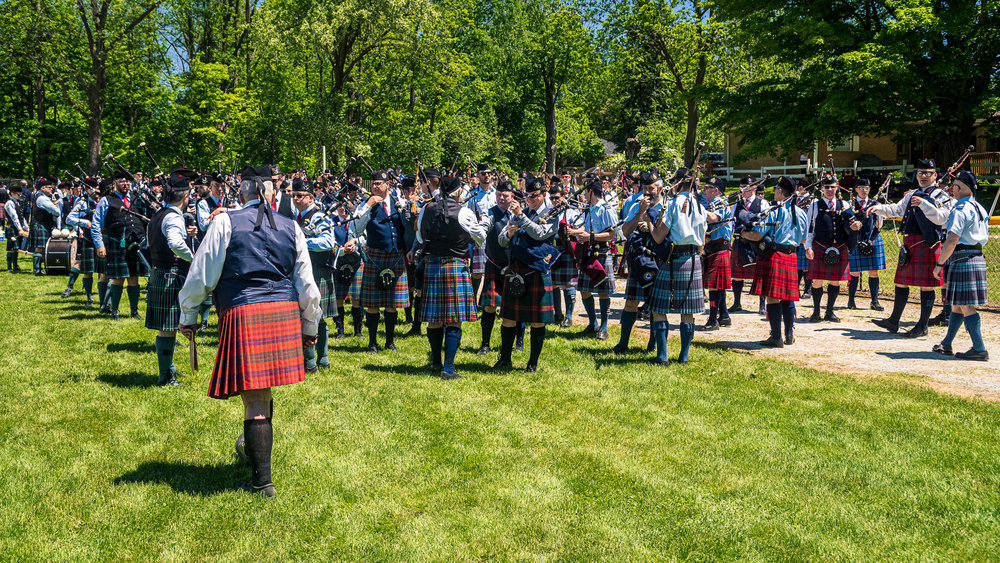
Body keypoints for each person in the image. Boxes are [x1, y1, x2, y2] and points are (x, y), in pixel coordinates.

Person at [178, 166, 321, 499]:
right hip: (284, 312)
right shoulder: (292, 227)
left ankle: (262, 483)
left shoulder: (225, 222)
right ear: (270, 195)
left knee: (255, 398)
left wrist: (188, 314)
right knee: (264, 393)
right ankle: (251, 453)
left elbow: (202, 274)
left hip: (246, 311)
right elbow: (307, 284)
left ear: (240, 193)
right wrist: (309, 324)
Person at [868, 158, 953, 337]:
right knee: (901, 282)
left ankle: (922, 326)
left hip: (927, 244)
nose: (923, 176)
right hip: (909, 245)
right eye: (920, 173)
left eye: (927, 173)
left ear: (935, 175)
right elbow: (897, 210)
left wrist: (924, 204)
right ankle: (893, 321)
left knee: (926, 286)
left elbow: (945, 219)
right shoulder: (911, 194)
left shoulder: (941, 196)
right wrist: (878, 208)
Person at [416, 173, 487, 378]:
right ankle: (448, 368)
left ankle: (436, 362)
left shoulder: (425, 209)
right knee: (454, 319)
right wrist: (484, 224)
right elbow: (480, 239)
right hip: (455, 267)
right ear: (458, 192)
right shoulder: (464, 212)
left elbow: (421, 236)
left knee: (434, 319)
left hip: (433, 266)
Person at [495, 176, 557, 372]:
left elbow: (539, 233)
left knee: (537, 320)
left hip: (536, 270)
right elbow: (501, 241)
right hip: (516, 270)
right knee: (508, 318)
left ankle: (533, 363)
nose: (530, 199)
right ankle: (505, 359)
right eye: (527, 195)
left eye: (534, 195)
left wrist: (521, 216)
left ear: (543, 194)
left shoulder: (552, 213)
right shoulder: (519, 212)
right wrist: (509, 234)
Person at [646, 172, 708, 364]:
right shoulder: (700, 205)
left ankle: (662, 356)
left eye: (673, 180)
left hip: (675, 258)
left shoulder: (671, 204)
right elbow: (703, 241)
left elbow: (658, 237)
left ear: (678, 183)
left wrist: (647, 219)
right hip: (694, 258)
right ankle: (684, 357)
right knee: (687, 311)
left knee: (658, 308)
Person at [145, 169, 199, 386]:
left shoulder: (159, 215)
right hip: (171, 274)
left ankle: (170, 368)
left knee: (168, 326)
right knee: (167, 328)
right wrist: (193, 259)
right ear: (185, 196)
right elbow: (175, 243)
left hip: (160, 272)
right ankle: (164, 376)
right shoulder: (173, 218)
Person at [742, 176, 809, 347]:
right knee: (788, 297)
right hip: (791, 256)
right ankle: (789, 334)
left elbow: (757, 235)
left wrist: (742, 234)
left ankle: (776, 337)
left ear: (780, 192)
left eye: (775, 190)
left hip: (775, 255)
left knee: (772, 297)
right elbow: (802, 240)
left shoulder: (772, 210)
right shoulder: (801, 212)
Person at [932, 171, 989, 361]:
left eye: (954, 187)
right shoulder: (980, 208)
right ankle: (946, 344)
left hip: (962, 258)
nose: (952, 190)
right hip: (976, 257)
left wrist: (940, 264)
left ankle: (979, 348)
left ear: (959, 188)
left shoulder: (960, 209)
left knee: (966, 305)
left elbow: (952, 239)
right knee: (957, 304)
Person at [353, 170, 410, 353]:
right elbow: (356, 228)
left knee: (392, 304)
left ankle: (390, 341)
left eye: (380, 184)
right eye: (374, 184)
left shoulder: (397, 202)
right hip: (375, 256)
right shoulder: (366, 204)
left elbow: (407, 225)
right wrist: (368, 205)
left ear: (388, 185)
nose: (376, 187)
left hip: (396, 256)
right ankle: (372, 342)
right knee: (373, 304)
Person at [292, 179, 339, 372]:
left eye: (299, 195)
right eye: (293, 195)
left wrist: (303, 241)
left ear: (311, 197)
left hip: (317, 269)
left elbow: (329, 242)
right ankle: (311, 360)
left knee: (315, 315)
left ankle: (319, 360)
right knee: (307, 315)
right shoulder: (295, 217)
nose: (295, 198)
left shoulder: (319, 216)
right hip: (302, 269)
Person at [614, 171, 662, 354]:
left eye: (651, 188)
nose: (648, 192)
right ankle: (623, 344)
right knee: (631, 302)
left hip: (657, 260)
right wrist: (640, 213)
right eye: (645, 188)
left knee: (655, 305)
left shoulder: (667, 206)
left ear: (660, 188)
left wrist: (650, 227)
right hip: (639, 260)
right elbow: (625, 232)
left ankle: (653, 345)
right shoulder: (636, 206)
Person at [92, 172, 149, 321]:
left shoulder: (135, 199)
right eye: (122, 181)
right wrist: (99, 245)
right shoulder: (106, 200)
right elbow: (96, 224)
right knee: (118, 278)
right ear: (115, 183)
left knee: (134, 277)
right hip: (118, 243)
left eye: (127, 181)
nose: (126, 184)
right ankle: (114, 311)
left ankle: (134, 311)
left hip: (136, 243)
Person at [804, 176, 861, 322]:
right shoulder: (815, 205)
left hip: (840, 247)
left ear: (837, 188)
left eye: (832, 187)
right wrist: (808, 247)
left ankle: (829, 312)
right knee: (817, 281)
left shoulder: (845, 204)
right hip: (820, 246)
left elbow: (852, 223)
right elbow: (809, 228)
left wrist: (856, 226)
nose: (830, 190)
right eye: (827, 187)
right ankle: (816, 312)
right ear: (822, 188)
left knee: (835, 281)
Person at [571, 179, 618, 340]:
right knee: (584, 290)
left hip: (602, 253)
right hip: (588, 252)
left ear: (591, 191)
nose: (583, 193)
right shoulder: (589, 208)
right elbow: (587, 227)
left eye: (585, 190)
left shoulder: (606, 209)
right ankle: (593, 323)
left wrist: (590, 237)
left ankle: (604, 327)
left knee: (603, 292)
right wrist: (574, 232)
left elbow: (612, 235)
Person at [475, 180, 515, 355]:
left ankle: (519, 341)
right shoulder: (490, 214)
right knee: (489, 306)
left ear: (512, 196)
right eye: (498, 195)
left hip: (514, 265)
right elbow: (484, 226)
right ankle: (485, 343)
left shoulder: (518, 214)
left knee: (515, 305)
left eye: (505, 195)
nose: (501, 198)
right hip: (494, 263)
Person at [730, 177, 770, 313]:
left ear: (753, 188)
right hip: (740, 242)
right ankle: (736, 303)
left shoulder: (763, 204)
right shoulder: (736, 204)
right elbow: (731, 223)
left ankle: (762, 305)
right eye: (741, 186)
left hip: (757, 243)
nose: (742, 190)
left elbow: (766, 223)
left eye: (745, 187)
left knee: (760, 274)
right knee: (737, 275)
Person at [846, 178, 886, 311]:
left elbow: (879, 224)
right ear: (856, 189)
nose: (864, 190)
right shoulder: (849, 204)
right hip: (855, 241)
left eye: (867, 188)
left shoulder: (875, 204)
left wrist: (872, 239)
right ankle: (851, 300)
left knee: (873, 272)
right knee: (855, 272)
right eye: (861, 188)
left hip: (872, 239)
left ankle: (875, 301)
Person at [63, 177, 100, 304]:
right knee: (86, 268)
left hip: (103, 239)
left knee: (103, 271)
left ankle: (105, 300)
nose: (96, 190)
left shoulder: (103, 201)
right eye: (93, 188)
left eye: (97, 188)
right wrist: (85, 223)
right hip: (88, 239)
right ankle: (88, 296)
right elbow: (69, 219)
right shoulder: (83, 203)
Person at [703, 177, 733, 330]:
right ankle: (724, 315)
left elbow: (713, 218)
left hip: (720, 247)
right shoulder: (712, 204)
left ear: (716, 191)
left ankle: (713, 320)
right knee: (718, 286)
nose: (704, 190)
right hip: (713, 247)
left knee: (714, 287)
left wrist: (697, 208)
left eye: (707, 187)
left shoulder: (721, 203)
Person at [549, 184, 580, 328]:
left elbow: (581, 227)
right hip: (552, 249)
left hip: (567, 248)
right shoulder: (548, 213)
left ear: (563, 197)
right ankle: (557, 314)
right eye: (551, 198)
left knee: (568, 283)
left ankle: (568, 316)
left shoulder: (572, 212)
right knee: (554, 284)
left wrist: (572, 231)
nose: (554, 200)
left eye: (557, 197)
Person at [28, 176, 61, 275]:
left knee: (41, 247)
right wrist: (55, 207)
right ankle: (37, 269)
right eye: (49, 187)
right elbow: (56, 211)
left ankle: (38, 268)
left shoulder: (39, 196)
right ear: (43, 188)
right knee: (40, 247)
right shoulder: (42, 198)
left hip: (40, 224)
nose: (51, 189)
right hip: (40, 224)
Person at [3, 184, 28, 273]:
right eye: (18, 194)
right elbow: (14, 217)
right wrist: (20, 228)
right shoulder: (9, 203)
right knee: (11, 248)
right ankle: (10, 267)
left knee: (16, 248)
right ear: (12, 193)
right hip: (12, 227)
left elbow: (21, 216)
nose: (19, 196)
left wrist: (25, 226)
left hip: (17, 227)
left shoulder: (16, 202)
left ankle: (15, 265)